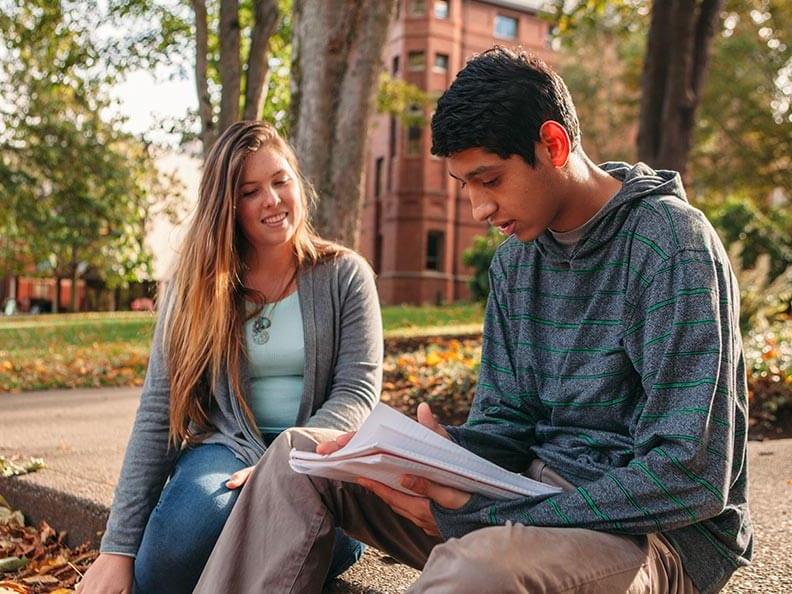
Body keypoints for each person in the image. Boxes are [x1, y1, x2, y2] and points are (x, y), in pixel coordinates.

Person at [193, 47, 752, 594]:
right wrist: (439, 453)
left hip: (651, 537)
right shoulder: (517, 259)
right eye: (465, 187)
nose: (479, 210)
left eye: (490, 180)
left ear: (553, 144)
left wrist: (496, 513)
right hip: (521, 498)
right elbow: (507, 423)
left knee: (479, 569)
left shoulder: (670, 246)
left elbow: (690, 476)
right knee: (300, 457)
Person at [76, 121, 382, 593]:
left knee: (319, 540)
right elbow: (158, 411)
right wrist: (117, 547)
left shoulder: (346, 275)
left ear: (298, 182)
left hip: (317, 459)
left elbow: (357, 391)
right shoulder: (196, 289)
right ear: (228, 206)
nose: (273, 200)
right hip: (226, 450)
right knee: (176, 547)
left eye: (281, 181)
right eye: (250, 191)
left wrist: (281, 462)